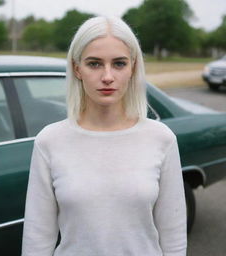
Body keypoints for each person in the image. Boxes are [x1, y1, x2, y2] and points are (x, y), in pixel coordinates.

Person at [22, 16, 187, 256]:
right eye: (95, 63)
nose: (107, 76)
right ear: (77, 68)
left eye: (119, 64)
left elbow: (173, 237)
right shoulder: (50, 141)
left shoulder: (161, 138)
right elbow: (37, 237)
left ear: (133, 67)